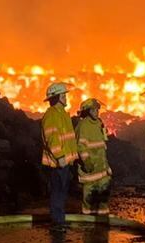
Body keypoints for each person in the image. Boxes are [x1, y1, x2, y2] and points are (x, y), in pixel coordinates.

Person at [40, 82, 77, 229]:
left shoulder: (62, 114)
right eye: (63, 95)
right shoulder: (51, 115)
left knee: (61, 193)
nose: (66, 98)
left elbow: (67, 139)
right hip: (58, 163)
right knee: (57, 193)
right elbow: (52, 139)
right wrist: (60, 157)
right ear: (57, 98)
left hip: (65, 162)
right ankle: (57, 223)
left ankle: (59, 220)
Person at [74, 98, 112, 219]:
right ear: (87, 111)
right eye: (94, 110)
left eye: (97, 109)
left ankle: (102, 225)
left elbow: (102, 147)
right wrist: (87, 162)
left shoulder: (98, 124)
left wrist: (107, 166)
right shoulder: (83, 126)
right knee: (89, 201)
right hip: (89, 171)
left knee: (103, 201)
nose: (97, 112)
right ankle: (87, 227)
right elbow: (80, 147)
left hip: (102, 170)